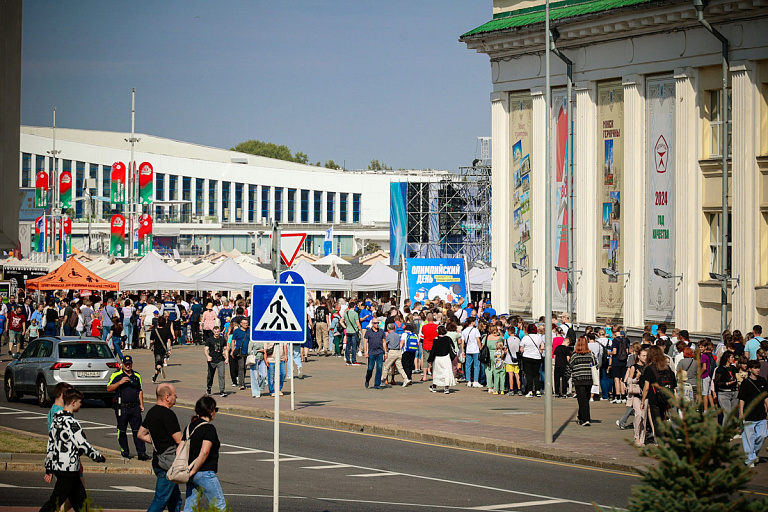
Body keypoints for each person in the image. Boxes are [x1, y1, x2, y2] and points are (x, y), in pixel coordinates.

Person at [40, 389, 105, 512]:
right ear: (73, 402)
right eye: (80, 402)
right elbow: (82, 444)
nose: (81, 404)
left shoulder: (56, 421)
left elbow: (51, 445)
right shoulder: (72, 423)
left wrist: (49, 467)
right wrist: (98, 457)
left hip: (60, 467)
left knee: (81, 503)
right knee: (55, 502)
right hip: (68, 469)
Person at [138, 384, 183, 512]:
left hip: (158, 461)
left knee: (175, 500)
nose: (176, 397)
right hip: (168, 464)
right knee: (160, 500)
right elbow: (179, 439)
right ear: (167, 397)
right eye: (174, 395)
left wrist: (157, 442)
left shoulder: (151, 412)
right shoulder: (168, 414)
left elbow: (140, 434)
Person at [182, 396, 226, 512]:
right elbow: (204, 452)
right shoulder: (209, 429)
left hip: (190, 471)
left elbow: (180, 449)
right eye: (215, 410)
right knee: (219, 505)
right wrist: (194, 470)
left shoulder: (189, 427)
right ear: (210, 410)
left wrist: (187, 469)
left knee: (190, 506)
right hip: (204, 473)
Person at [107, 355, 149, 460]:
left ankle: (141, 453)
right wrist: (119, 382)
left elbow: (140, 390)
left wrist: (142, 404)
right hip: (122, 407)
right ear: (122, 365)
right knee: (122, 430)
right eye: (126, 364)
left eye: (129, 364)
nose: (128, 366)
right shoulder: (116, 375)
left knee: (138, 431)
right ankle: (125, 451)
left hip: (135, 407)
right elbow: (109, 388)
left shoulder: (136, 376)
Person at [640, 345, 677, 443]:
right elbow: (674, 385)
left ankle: (661, 443)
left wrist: (643, 401)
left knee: (657, 422)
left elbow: (646, 387)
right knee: (664, 419)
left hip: (655, 398)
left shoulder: (649, 369)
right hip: (666, 397)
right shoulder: (667, 368)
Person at [738, 360, 768, 467]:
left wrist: (767, 410)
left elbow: (766, 397)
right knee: (748, 438)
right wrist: (741, 413)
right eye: (755, 368)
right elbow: (742, 399)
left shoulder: (763, 381)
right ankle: (749, 459)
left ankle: (753, 453)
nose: (758, 370)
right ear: (750, 369)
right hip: (748, 414)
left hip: (761, 414)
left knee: (763, 435)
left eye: (758, 368)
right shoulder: (745, 383)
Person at [565, 336, 597, 426]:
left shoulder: (575, 355)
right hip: (588, 379)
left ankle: (586, 419)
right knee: (585, 399)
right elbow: (596, 365)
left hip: (578, 380)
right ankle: (581, 416)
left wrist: (566, 377)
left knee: (582, 399)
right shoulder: (591, 354)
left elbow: (569, 366)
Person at [427, 325, 457, 394]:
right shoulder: (448, 339)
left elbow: (433, 350)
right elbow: (452, 348)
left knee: (437, 373)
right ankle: (446, 388)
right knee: (446, 372)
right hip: (446, 358)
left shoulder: (436, 339)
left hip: (438, 358)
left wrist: (430, 360)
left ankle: (434, 387)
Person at [382, 323, 410, 387]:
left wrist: (385, 352)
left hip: (392, 352)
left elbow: (385, 343)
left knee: (386, 366)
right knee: (400, 367)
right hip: (398, 352)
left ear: (388, 329)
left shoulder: (389, 336)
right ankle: (406, 379)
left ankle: (382, 380)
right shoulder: (397, 335)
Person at [520, 323, 544, 397]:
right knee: (536, 374)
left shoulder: (525, 338)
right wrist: (540, 351)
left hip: (527, 357)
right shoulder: (538, 337)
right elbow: (542, 346)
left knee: (529, 375)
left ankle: (530, 391)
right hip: (536, 357)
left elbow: (521, 348)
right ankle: (537, 390)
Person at [205, 325, 229, 397]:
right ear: (213, 332)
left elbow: (225, 349)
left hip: (220, 360)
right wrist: (208, 356)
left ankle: (222, 391)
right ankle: (209, 388)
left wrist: (227, 358)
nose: (216, 333)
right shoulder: (209, 340)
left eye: (218, 332)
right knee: (210, 376)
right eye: (215, 332)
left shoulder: (222, 339)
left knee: (221, 375)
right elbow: (206, 349)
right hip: (212, 360)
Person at [714, 351, 739, 417]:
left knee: (734, 414)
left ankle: (734, 427)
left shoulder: (733, 368)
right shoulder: (720, 369)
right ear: (727, 358)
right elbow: (716, 382)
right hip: (724, 393)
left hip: (734, 392)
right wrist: (727, 383)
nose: (733, 359)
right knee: (727, 414)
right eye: (732, 357)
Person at [364, 318, 386, 389]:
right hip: (371, 352)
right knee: (370, 368)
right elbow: (365, 342)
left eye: (377, 323)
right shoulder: (368, 332)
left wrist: (385, 352)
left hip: (380, 352)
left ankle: (377, 384)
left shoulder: (381, 332)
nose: (377, 324)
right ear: (372, 324)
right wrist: (365, 352)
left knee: (379, 368)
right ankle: (367, 379)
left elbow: (384, 342)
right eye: (375, 323)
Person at [230, 318, 250, 390]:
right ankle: (241, 384)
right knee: (241, 366)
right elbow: (233, 341)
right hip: (240, 352)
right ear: (241, 324)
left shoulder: (249, 331)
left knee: (244, 367)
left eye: (247, 323)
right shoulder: (237, 331)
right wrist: (232, 350)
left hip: (248, 352)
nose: (246, 325)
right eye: (244, 323)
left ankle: (242, 380)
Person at [461, 319, 482, 388]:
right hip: (475, 349)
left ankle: (468, 381)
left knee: (468, 366)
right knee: (476, 366)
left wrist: (462, 351)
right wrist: (481, 348)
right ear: (472, 322)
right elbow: (478, 340)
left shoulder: (464, 330)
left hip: (468, 349)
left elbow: (462, 342)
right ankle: (475, 381)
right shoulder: (475, 330)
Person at [150, 317, 173, 383]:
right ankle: (155, 376)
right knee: (160, 362)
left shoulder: (154, 331)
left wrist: (150, 346)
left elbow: (151, 341)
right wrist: (169, 349)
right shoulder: (167, 330)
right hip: (164, 349)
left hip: (157, 349)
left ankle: (158, 370)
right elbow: (169, 340)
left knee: (157, 363)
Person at [342, 300, 362, 365]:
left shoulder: (346, 313)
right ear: (354, 306)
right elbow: (357, 323)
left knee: (348, 346)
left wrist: (345, 326)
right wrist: (360, 329)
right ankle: (353, 360)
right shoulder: (355, 314)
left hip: (348, 331)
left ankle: (347, 360)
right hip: (354, 331)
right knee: (354, 346)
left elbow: (341, 321)